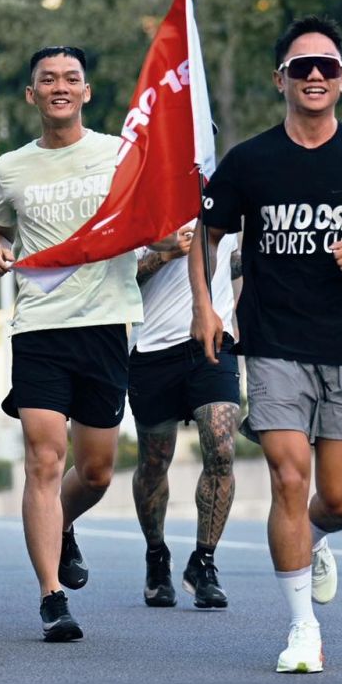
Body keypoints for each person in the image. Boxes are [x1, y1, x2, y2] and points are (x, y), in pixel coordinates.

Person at [191, 15, 342, 674]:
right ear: (280, 80)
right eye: (300, 68)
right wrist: (206, 309)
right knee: (290, 474)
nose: (313, 76)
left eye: (326, 67)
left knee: (341, 498)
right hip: (274, 342)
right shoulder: (250, 162)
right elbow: (205, 235)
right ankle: (301, 629)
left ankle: (315, 538)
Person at [0, 44, 144, 642]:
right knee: (44, 460)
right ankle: (51, 596)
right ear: (32, 94)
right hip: (40, 327)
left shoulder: (118, 155)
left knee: (95, 471)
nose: (60, 87)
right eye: (47, 79)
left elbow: (148, 215)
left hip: (105, 324)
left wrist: (166, 241)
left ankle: (62, 524)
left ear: (86, 91)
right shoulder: (10, 167)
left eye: (71, 77)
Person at [130, 223, 240, 609]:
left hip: (212, 342)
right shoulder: (145, 202)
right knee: (153, 463)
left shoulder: (221, 198)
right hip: (153, 351)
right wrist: (165, 254)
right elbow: (123, 276)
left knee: (222, 450)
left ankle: (204, 562)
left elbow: (233, 260)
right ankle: (156, 555)